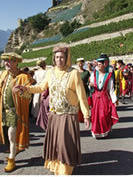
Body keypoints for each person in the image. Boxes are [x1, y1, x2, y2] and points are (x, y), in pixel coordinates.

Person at [15, 46, 90, 175]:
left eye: (62, 57)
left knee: (64, 145)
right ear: (53, 59)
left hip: (68, 115)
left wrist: (86, 115)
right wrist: (26, 88)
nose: (59, 60)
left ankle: (65, 169)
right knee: (56, 145)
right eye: (56, 57)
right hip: (54, 115)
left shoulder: (73, 73)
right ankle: (57, 168)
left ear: (66, 58)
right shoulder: (50, 72)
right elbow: (40, 87)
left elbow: (81, 96)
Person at [0, 52, 32, 172]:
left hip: (15, 112)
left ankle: (12, 159)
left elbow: (28, 95)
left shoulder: (23, 76)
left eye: (9, 60)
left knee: (12, 136)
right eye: (5, 60)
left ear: (16, 62)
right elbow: (0, 91)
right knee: (6, 135)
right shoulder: (4, 74)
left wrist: (21, 92)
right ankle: (13, 151)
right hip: (2, 111)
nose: (6, 63)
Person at [89, 54, 119, 138]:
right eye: (97, 64)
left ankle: (104, 132)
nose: (98, 65)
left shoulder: (109, 76)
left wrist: (114, 101)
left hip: (104, 98)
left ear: (105, 64)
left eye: (100, 64)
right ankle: (96, 132)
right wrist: (90, 85)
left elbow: (111, 89)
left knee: (103, 115)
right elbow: (90, 84)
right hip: (95, 98)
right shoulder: (94, 74)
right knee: (95, 116)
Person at [76, 57, 90, 122]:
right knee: (78, 103)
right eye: (79, 63)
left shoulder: (86, 72)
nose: (80, 64)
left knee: (84, 102)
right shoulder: (75, 72)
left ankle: (85, 116)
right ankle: (79, 117)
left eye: (81, 63)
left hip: (84, 88)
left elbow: (89, 80)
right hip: (77, 89)